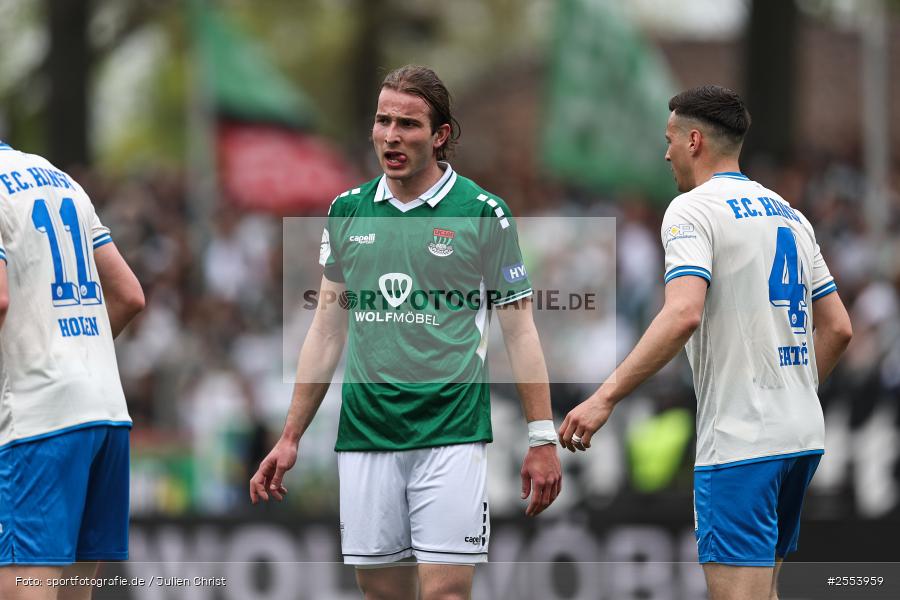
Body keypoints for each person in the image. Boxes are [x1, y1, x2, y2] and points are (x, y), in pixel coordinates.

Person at [250, 64, 561, 600]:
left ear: (440, 136)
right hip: (367, 435)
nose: (391, 135)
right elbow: (327, 330)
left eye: (408, 125)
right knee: (382, 595)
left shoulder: (483, 213)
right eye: (382, 121)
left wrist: (541, 436)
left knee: (445, 594)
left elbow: (521, 333)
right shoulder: (346, 211)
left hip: (452, 434)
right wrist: (290, 435)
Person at [559, 85, 852, 600]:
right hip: (800, 435)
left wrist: (604, 397)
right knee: (766, 592)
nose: (664, 151)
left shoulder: (692, 211)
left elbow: (682, 313)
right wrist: (792, 390)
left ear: (694, 141)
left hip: (741, 443)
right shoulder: (790, 214)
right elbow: (838, 328)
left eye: (669, 139)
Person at [0, 142, 145, 600]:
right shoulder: (59, 177)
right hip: (106, 414)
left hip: (37, 423)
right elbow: (129, 295)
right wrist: (79, 356)